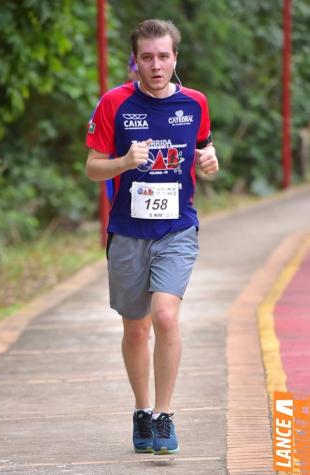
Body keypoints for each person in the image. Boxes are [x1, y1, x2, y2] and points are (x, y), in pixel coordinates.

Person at [85, 19, 219, 455]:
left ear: (175, 58)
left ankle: (163, 417)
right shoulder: (114, 104)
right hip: (128, 232)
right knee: (137, 328)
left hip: (177, 228)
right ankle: (142, 411)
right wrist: (124, 161)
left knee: (165, 316)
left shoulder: (196, 103)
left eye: (163, 56)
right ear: (135, 61)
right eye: (147, 57)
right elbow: (92, 167)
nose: (156, 65)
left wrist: (208, 160)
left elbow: (203, 146)